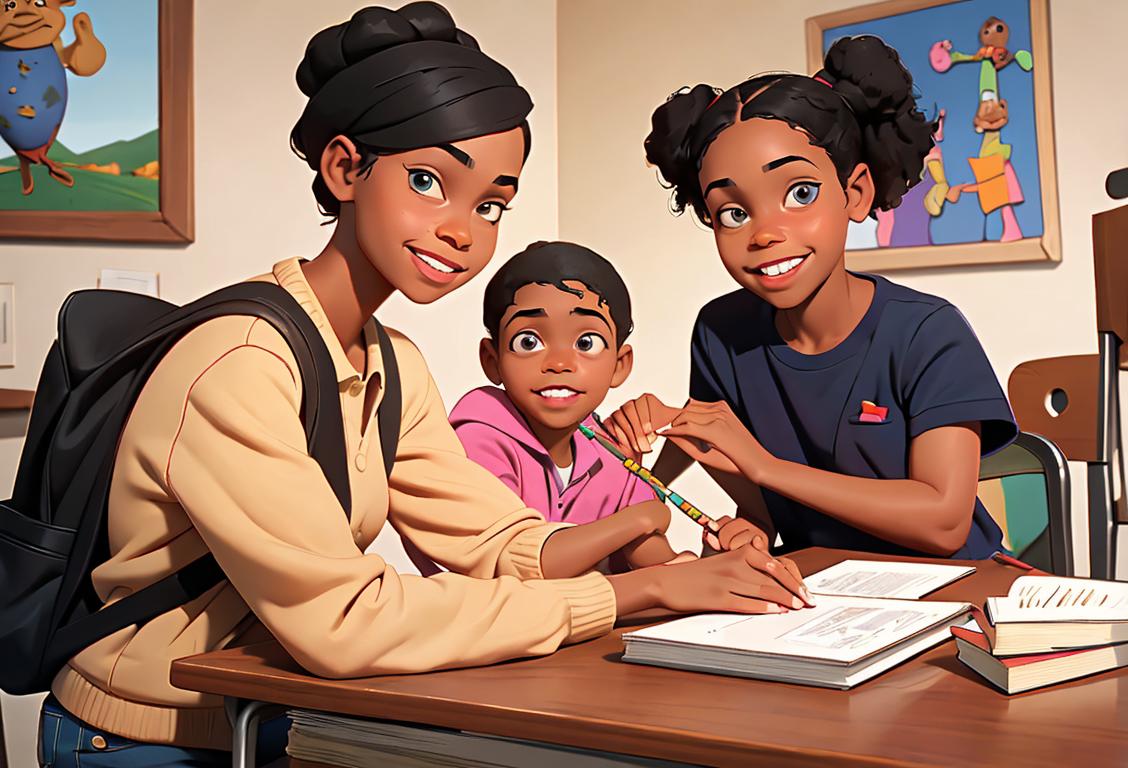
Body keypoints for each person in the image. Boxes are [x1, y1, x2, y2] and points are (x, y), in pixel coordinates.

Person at [38, 5, 808, 766]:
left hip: (277, 713)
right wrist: (639, 594)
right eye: (427, 180)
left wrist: (682, 571)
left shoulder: (392, 361)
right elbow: (346, 622)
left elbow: (499, 541)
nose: (462, 230)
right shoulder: (241, 361)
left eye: (491, 203)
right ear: (344, 168)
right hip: (142, 738)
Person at [606, 35, 1017, 561]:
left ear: (855, 193)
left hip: (959, 584)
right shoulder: (720, 333)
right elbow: (759, 507)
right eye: (733, 212)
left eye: (800, 193)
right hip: (818, 588)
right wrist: (745, 527)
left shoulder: (928, 332)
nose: (764, 233)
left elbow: (944, 523)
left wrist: (765, 467)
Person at [448, 241, 698, 575]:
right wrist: (635, 521)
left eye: (586, 343)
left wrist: (685, 566)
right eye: (528, 342)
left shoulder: (608, 447)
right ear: (493, 361)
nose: (559, 363)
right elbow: (512, 566)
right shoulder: (479, 439)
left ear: (619, 365)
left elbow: (646, 547)